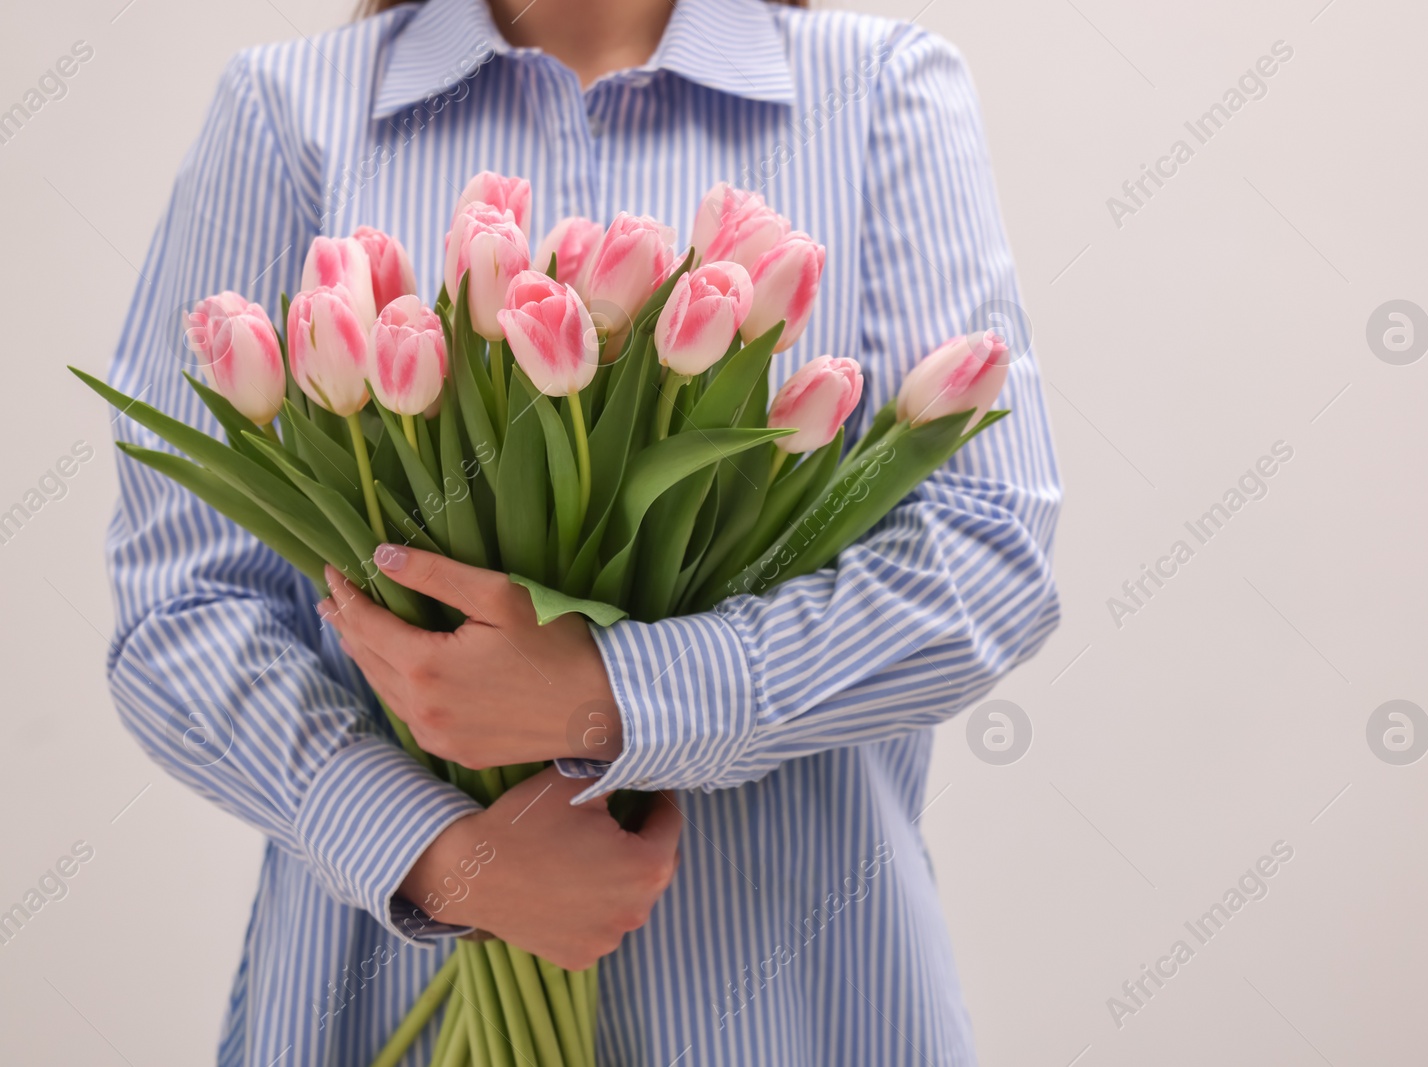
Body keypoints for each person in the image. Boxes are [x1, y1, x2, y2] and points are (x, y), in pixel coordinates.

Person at [103, 0, 1061, 1062]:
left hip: (798, 1008)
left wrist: (613, 693)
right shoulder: (290, 108)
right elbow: (183, 608)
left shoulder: (882, 92)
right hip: (379, 1007)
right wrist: (435, 852)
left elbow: (986, 554)